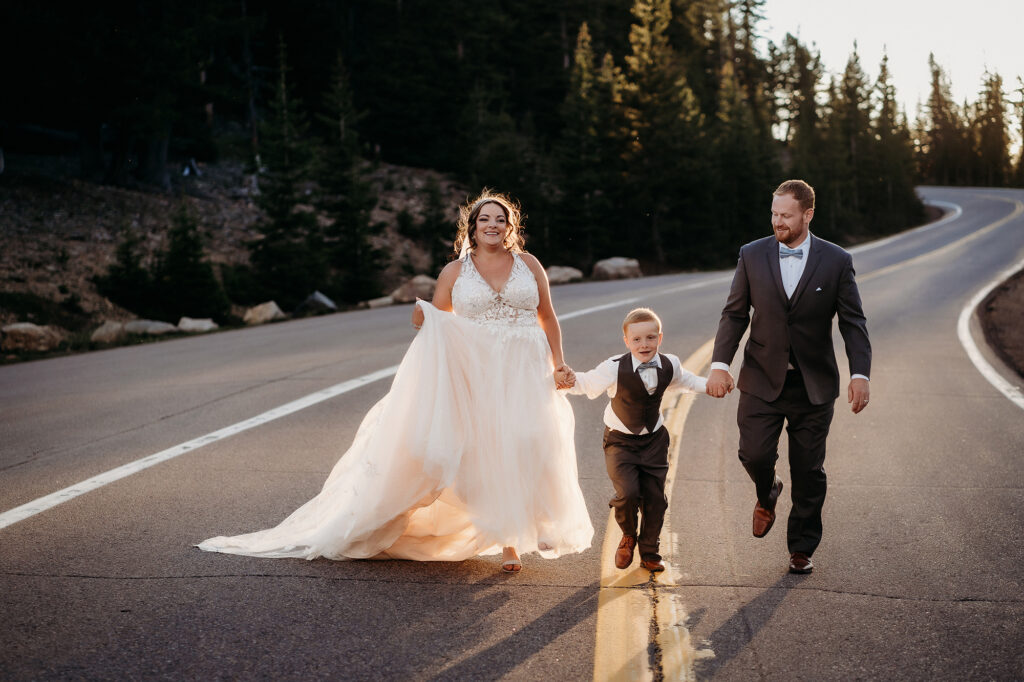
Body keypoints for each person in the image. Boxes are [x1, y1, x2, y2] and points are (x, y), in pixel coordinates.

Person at [198, 191, 593, 573]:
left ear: (510, 227)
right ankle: (508, 539)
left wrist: (559, 364)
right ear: (471, 229)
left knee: (531, 440)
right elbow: (437, 322)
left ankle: (535, 522)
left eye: (500, 219)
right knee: (487, 451)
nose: (492, 225)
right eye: (484, 219)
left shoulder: (529, 264)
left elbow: (548, 316)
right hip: (478, 372)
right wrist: (422, 316)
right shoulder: (456, 271)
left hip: (526, 367)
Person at [706, 179, 871, 575]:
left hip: (814, 386)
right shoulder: (752, 254)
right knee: (754, 454)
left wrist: (860, 373)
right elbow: (734, 314)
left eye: (786, 215)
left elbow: (853, 322)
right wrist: (719, 365)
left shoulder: (836, 261)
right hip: (761, 379)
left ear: (808, 214)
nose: (778, 221)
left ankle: (801, 547)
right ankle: (768, 492)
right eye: (774, 214)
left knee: (809, 470)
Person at [563, 307, 710, 572]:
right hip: (620, 442)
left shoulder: (669, 364)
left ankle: (650, 551)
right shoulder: (613, 368)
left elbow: (687, 381)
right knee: (628, 492)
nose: (644, 344)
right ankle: (628, 535)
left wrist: (711, 384)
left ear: (659, 338)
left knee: (656, 498)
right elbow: (586, 383)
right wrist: (564, 381)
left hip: (654, 441)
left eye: (650, 338)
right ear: (627, 341)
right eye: (637, 339)